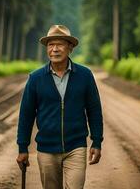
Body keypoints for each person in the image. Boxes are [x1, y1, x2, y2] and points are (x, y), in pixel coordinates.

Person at [16, 24, 103, 189]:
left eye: (60, 44)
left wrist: (97, 141)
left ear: (70, 48)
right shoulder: (35, 78)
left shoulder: (84, 75)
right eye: (51, 45)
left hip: (76, 147)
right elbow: (26, 114)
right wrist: (22, 147)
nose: (54, 49)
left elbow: (94, 110)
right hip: (46, 149)